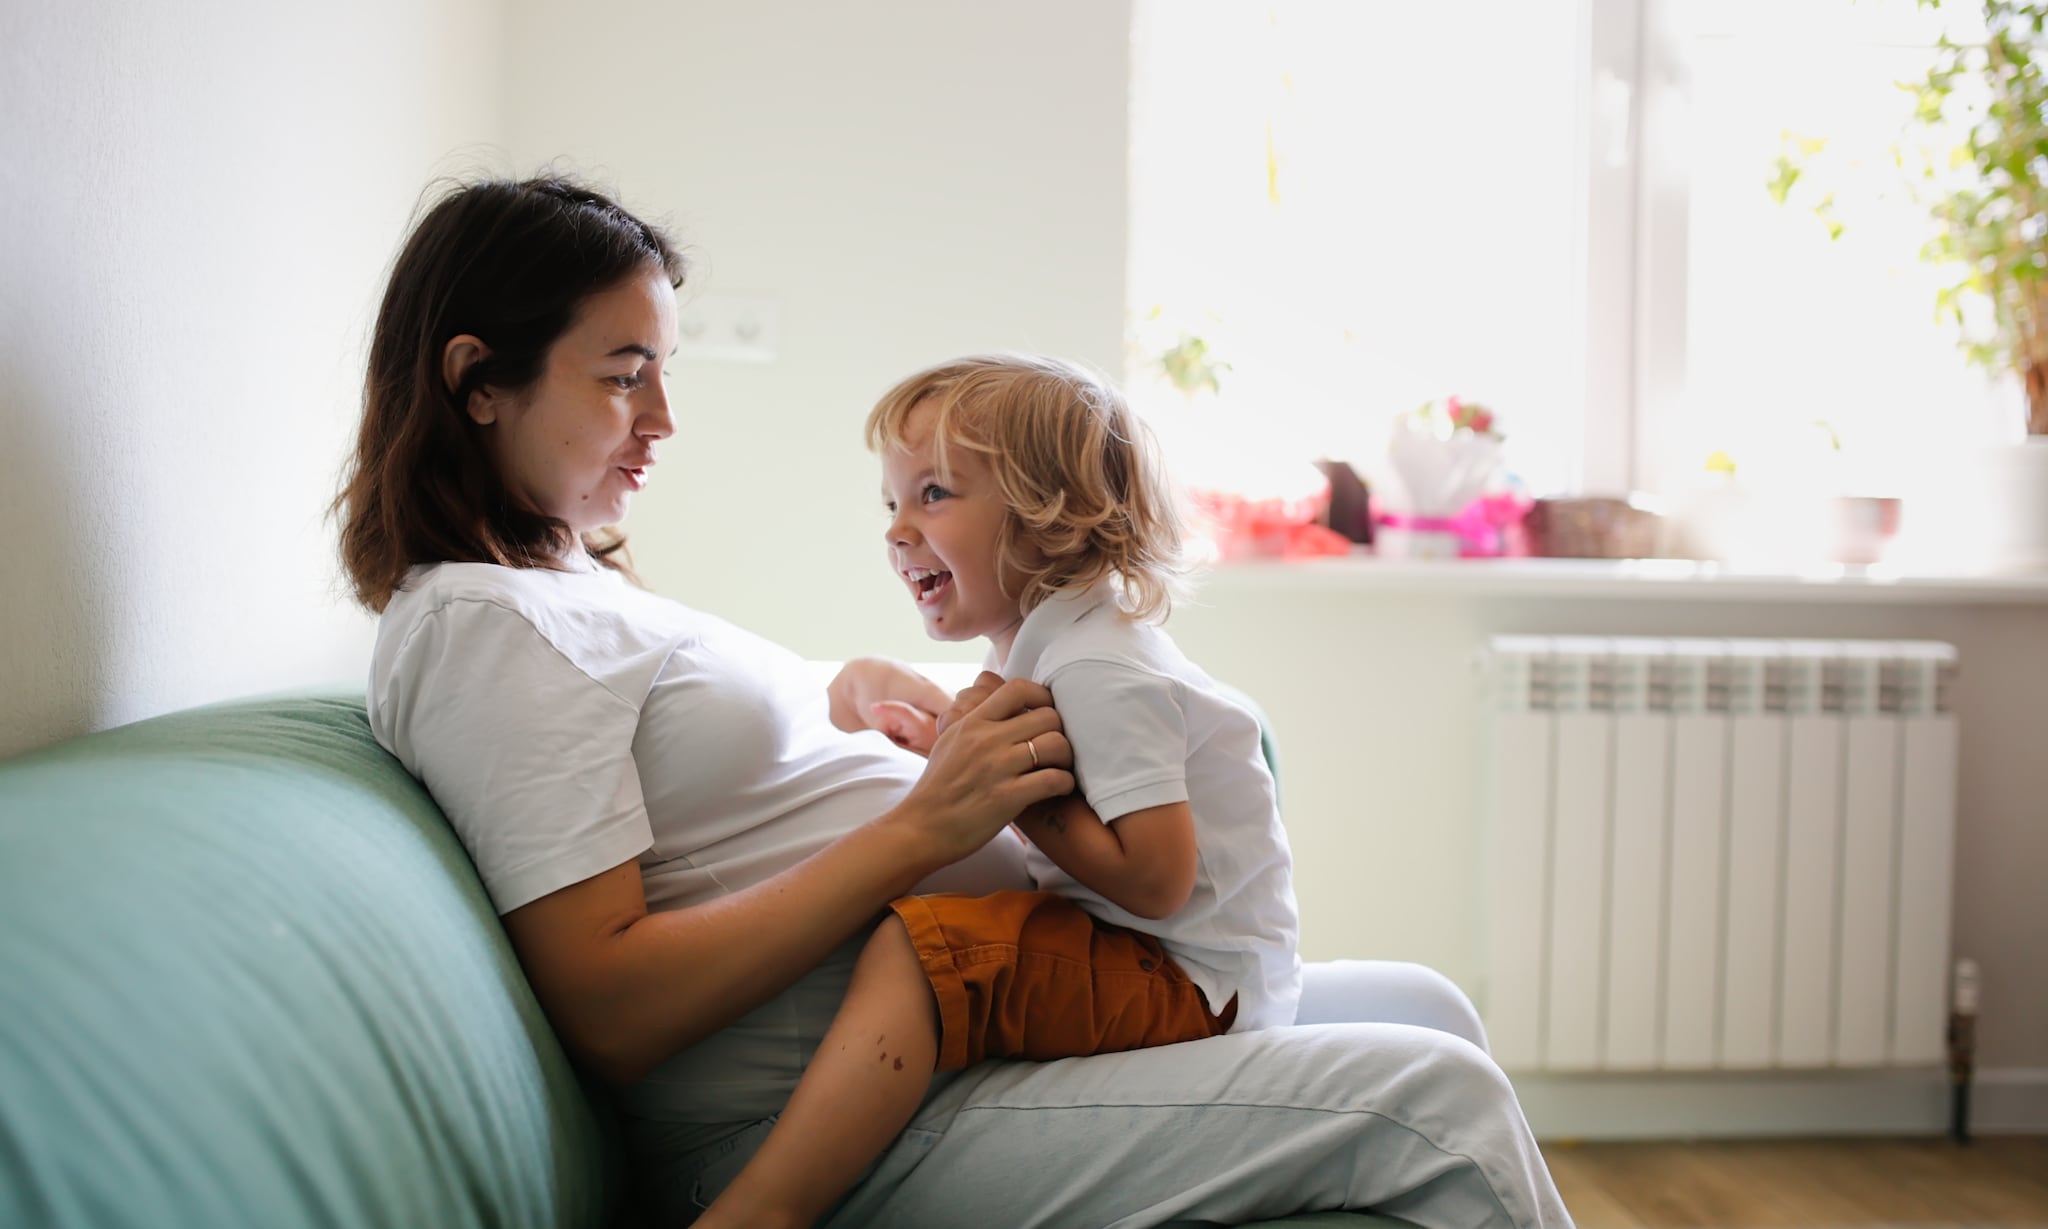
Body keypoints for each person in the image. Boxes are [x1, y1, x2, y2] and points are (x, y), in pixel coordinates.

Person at [334, 173, 1575, 1228]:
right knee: (1439, 1103)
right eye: (622, 374)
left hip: (987, 1020)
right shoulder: (476, 625)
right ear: (477, 380)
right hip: (835, 1113)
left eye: (661, 370)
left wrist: (860, 688)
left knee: (1428, 1003)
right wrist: (923, 830)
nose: (664, 418)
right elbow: (611, 1007)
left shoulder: (565, 588)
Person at [695, 355, 1302, 1228]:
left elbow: (1159, 876)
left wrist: (1009, 791)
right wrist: (952, 735)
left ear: (1050, 517)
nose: (898, 529)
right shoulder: (1050, 644)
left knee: (928, 951)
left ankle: (766, 1207)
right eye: (892, 501)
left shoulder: (1097, 665)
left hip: (1189, 985)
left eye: (934, 494)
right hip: (1172, 961)